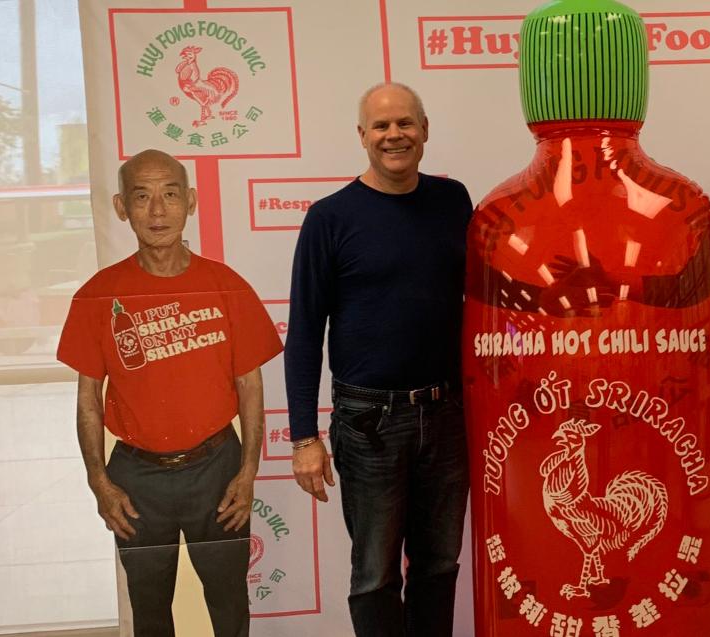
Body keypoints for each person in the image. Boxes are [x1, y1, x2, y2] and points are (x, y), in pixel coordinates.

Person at [57, 149, 283, 636]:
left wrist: (248, 471)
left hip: (217, 469)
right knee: (150, 611)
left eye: (170, 194)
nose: (157, 211)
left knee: (229, 605)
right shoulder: (98, 294)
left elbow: (250, 385)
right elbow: (87, 399)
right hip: (137, 481)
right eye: (142, 197)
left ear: (192, 202)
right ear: (122, 208)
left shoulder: (226, 287)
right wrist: (99, 479)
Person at [284, 82, 472, 637]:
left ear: (425, 128)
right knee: (374, 575)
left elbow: (486, 298)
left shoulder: (453, 200)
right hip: (369, 424)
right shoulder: (330, 218)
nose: (396, 135)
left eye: (406, 123)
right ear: (362, 136)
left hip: (446, 416)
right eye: (382, 126)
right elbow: (303, 334)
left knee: (439, 567)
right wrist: (303, 438)